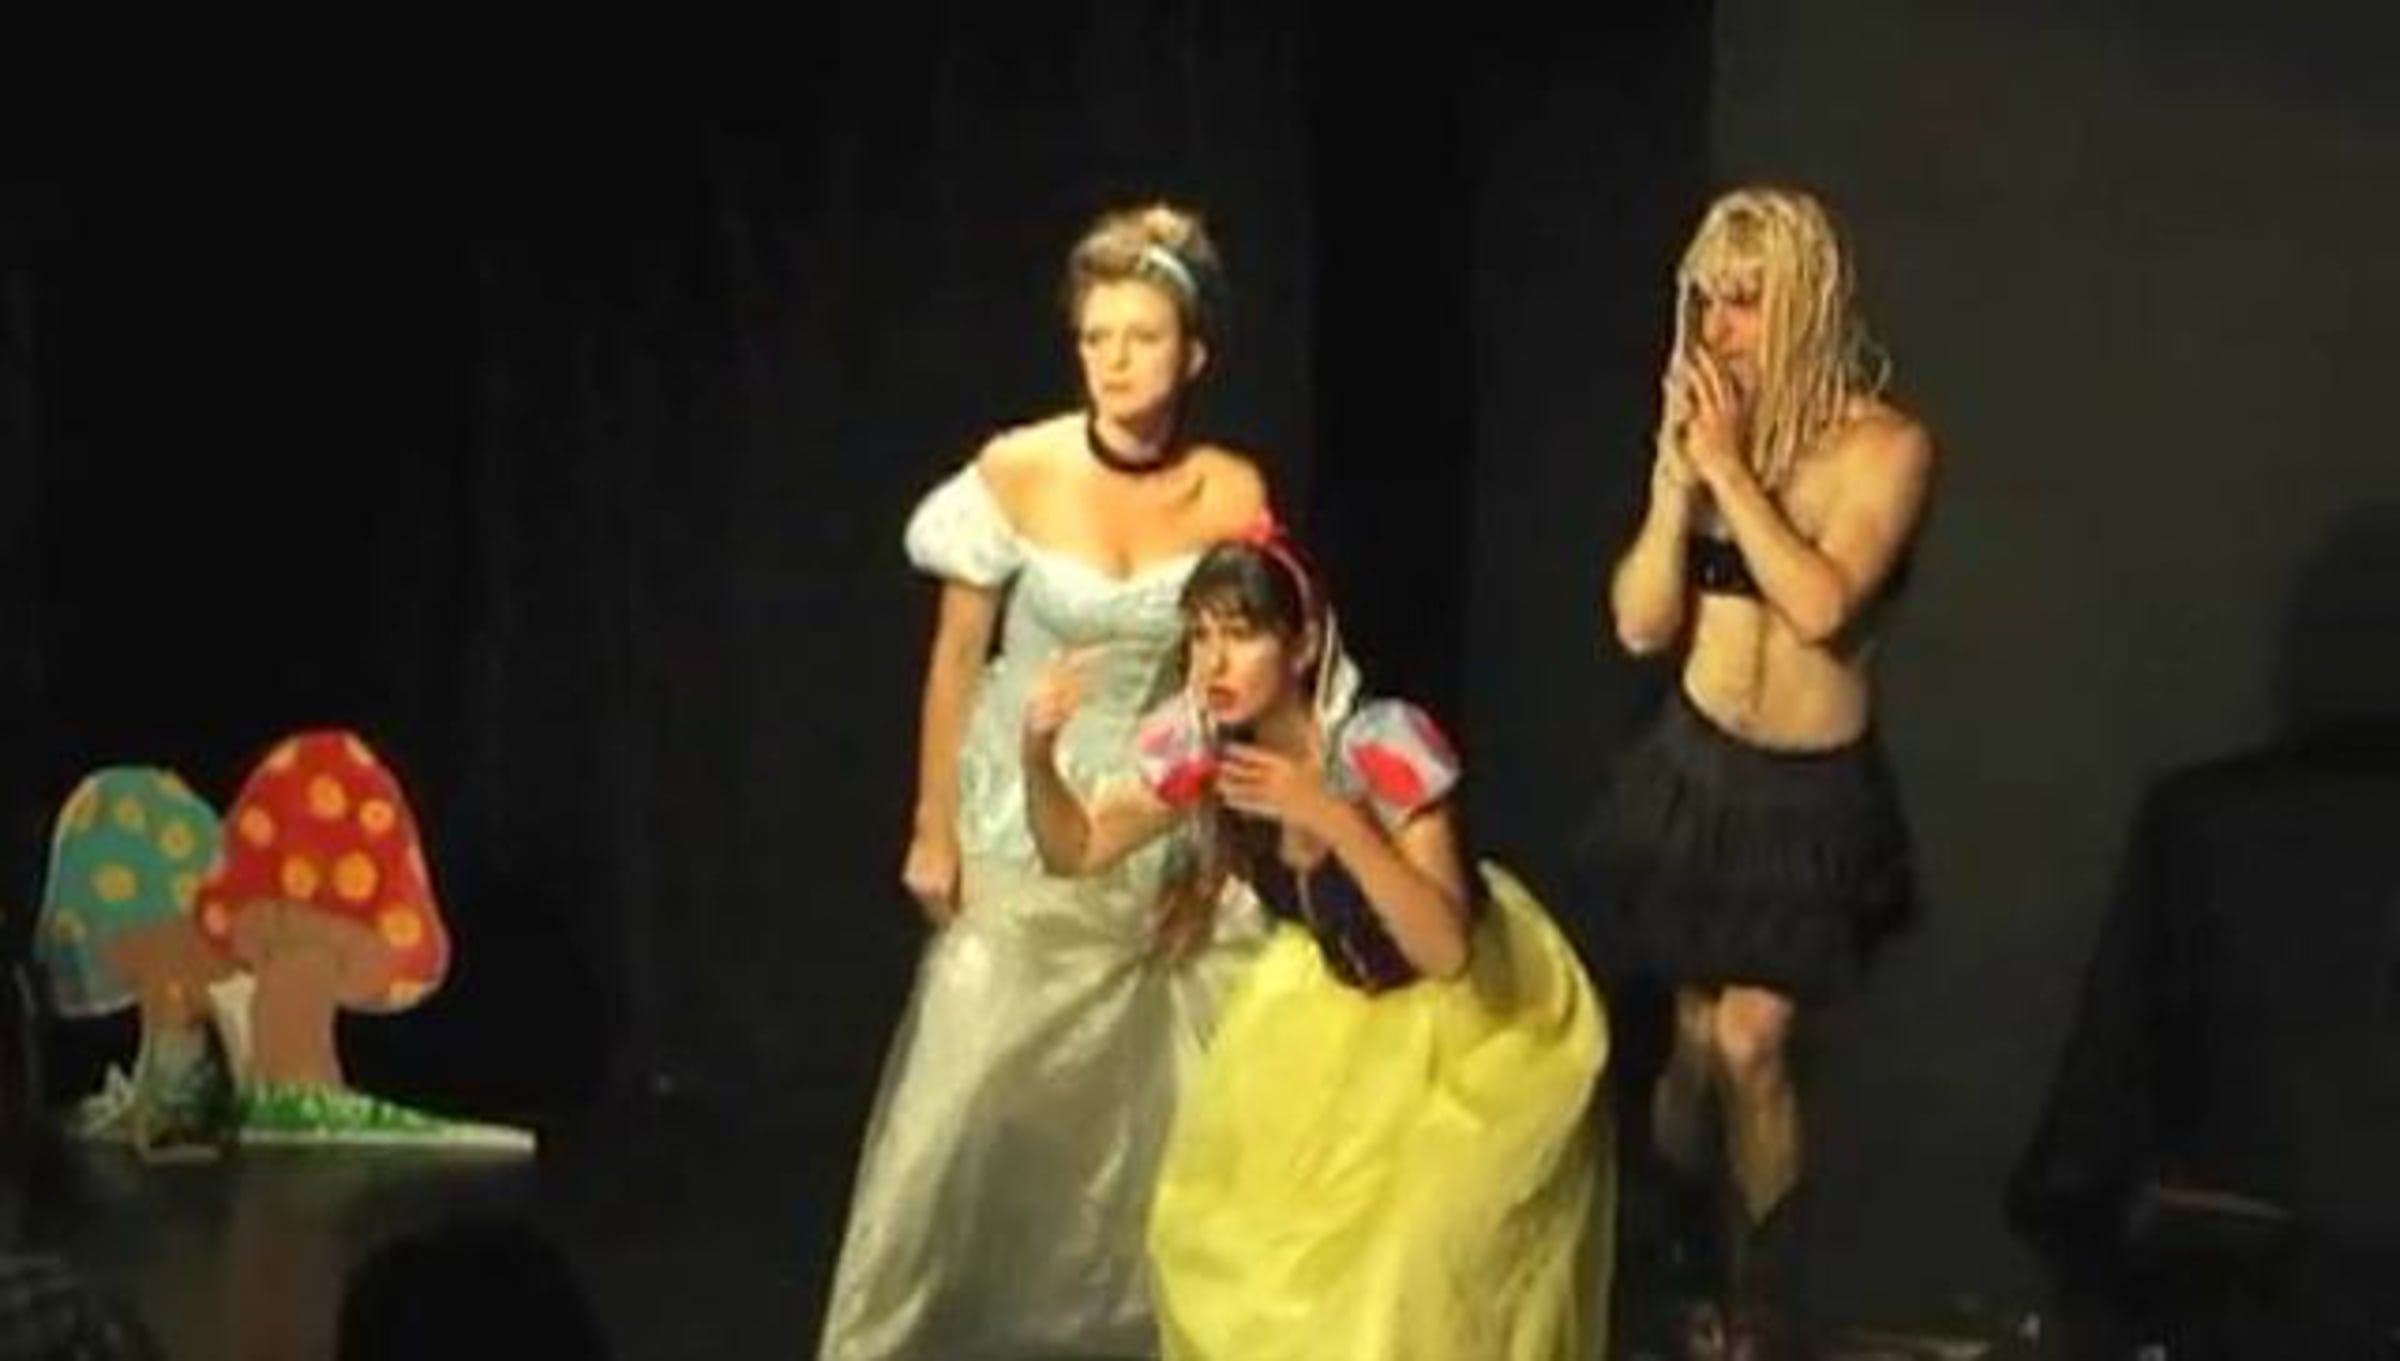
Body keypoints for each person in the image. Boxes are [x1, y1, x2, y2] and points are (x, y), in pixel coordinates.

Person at [817, 202, 1276, 1360]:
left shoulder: (1229, 493)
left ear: (1194, 353)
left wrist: (1217, 838)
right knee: (978, 1074)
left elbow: (1243, 676)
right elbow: (956, 657)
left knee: (1169, 1090)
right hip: (1021, 798)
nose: (1115, 361)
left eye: (1143, 337)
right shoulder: (1018, 469)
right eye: (1095, 337)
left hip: (1162, 801)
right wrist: (932, 826)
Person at [1026, 528, 1611, 1360]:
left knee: (1405, 1267)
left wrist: (1331, 814)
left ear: (1301, 646)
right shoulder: (1206, 749)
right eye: (1200, 635)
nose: (1213, 662)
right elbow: (1078, 846)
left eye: (1240, 634)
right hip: (1328, 1011)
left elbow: (1445, 948)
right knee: (1237, 1247)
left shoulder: (1382, 742)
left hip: (1469, 1025)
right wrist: (1037, 753)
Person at [1576, 185, 1937, 1352]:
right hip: (1694, 773)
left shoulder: (1885, 446)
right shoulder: (1701, 439)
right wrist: (1673, 485)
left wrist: (1731, 473)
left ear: (1808, 302)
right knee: (1689, 1045)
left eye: (1748, 300)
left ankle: (1764, 1311)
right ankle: (1685, 1282)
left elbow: (1823, 604)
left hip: (1807, 796)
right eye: (1710, 301)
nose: (1722, 327)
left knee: (1752, 1040)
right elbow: (1640, 622)